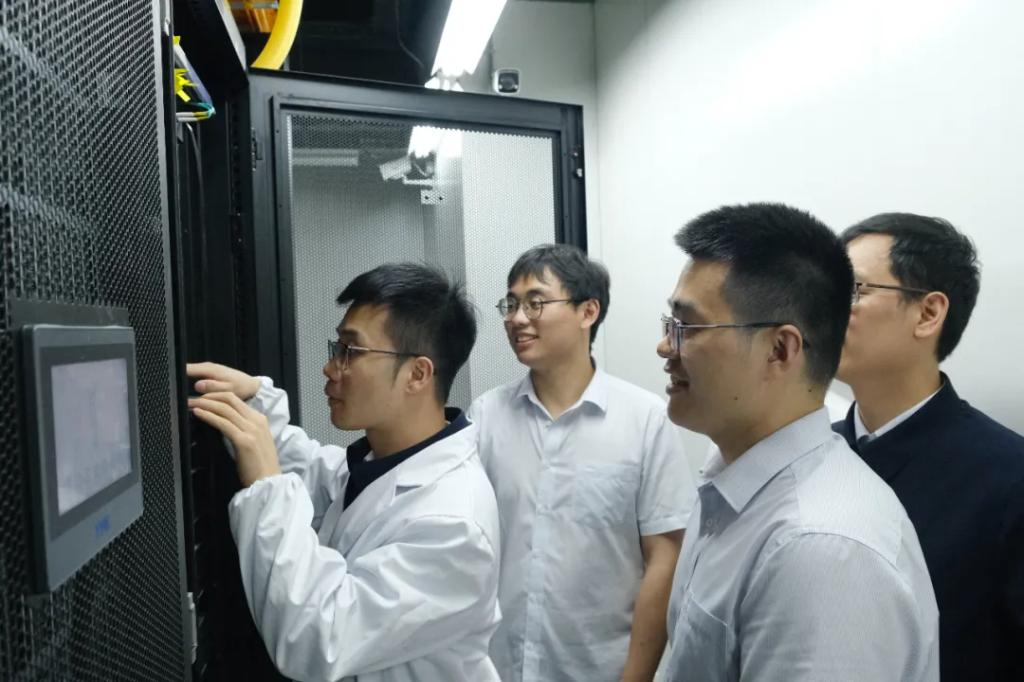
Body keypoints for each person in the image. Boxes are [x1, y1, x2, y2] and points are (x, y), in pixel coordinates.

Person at [659, 203, 939, 681]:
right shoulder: (732, 481)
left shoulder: (821, 550)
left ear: (779, 349)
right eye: (670, 324)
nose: (666, 346)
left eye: (689, 327)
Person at [187, 262, 501, 682]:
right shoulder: (382, 463)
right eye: (336, 347)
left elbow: (317, 638)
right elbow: (317, 474)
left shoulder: (455, 526)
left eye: (350, 351)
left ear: (417, 374)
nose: (331, 367)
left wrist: (267, 486)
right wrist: (256, 401)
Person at [468, 244, 695, 681]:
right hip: (493, 669)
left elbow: (664, 557)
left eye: (535, 302)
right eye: (511, 304)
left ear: (587, 311)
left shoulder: (643, 420)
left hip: (598, 670)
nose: (517, 318)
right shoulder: (486, 417)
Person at [834, 212, 1024, 681]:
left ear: (927, 313)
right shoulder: (809, 455)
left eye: (852, 290)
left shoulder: (1009, 479)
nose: (823, 309)